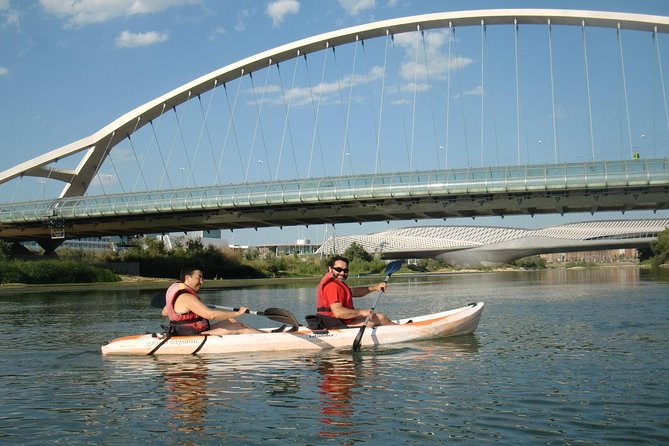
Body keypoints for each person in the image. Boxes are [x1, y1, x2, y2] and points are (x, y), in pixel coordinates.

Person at [162, 267, 265, 335]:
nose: (202, 281)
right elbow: (211, 315)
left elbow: (165, 312)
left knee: (231, 321)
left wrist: (193, 308)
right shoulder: (186, 297)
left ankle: (266, 335)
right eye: (199, 277)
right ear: (187, 277)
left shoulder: (181, 294)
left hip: (194, 330)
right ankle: (270, 338)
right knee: (237, 326)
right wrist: (237, 313)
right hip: (193, 335)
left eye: (203, 278)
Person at [316, 255, 396, 327]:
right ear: (330, 269)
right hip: (335, 323)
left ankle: (395, 327)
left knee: (372, 315)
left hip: (337, 321)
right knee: (380, 318)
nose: (342, 273)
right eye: (338, 269)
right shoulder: (332, 286)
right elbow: (338, 312)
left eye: (345, 270)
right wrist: (361, 312)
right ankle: (402, 329)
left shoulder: (337, 284)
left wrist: (375, 287)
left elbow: (354, 292)